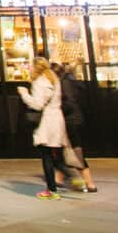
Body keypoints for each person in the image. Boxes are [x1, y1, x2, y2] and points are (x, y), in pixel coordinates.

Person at [17, 56, 70, 200]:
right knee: (53, 153)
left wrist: (24, 94)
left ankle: (52, 189)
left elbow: (37, 104)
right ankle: (63, 175)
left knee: (46, 155)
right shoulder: (53, 78)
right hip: (57, 119)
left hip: (47, 121)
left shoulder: (40, 82)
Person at [56, 62, 98, 193]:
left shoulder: (63, 84)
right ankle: (58, 179)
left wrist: (54, 107)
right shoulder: (71, 81)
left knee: (74, 151)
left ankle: (89, 182)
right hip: (74, 119)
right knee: (65, 150)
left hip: (69, 121)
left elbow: (68, 104)